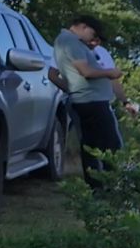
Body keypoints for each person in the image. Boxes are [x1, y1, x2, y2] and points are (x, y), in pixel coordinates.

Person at [50, 15, 123, 185]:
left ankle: (98, 188)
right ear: (83, 27)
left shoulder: (66, 41)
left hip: (85, 100)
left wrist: (73, 89)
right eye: (93, 33)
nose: (93, 38)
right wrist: (109, 73)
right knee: (110, 146)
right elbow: (86, 71)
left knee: (91, 145)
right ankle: (113, 187)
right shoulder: (71, 41)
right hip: (93, 102)